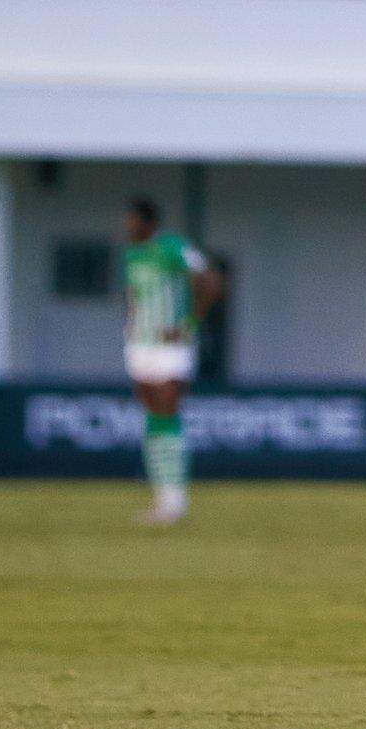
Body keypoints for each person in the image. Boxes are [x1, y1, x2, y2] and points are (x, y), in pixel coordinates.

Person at [116, 196, 226, 526]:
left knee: (167, 408)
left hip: (171, 345)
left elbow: (211, 280)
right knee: (152, 412)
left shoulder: (173, 247)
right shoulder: (132, 255)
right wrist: (132, 322)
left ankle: (175, 498)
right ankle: (161, 496)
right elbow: (133, 293)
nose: (127, 225)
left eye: (132, 219)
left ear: (148, 221)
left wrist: (189, 323)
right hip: (140, 343)